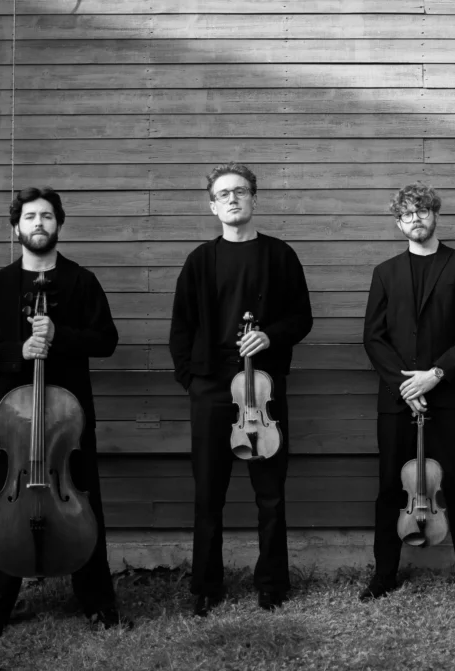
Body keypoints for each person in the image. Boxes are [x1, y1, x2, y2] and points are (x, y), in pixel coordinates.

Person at [0, 187, 123, 643]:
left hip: (66, 425)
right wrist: (19, 351)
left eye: (47, 216)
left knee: (84, 505)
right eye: (30, 216)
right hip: (13, 425)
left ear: (59, 225)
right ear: (16, 227)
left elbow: (106, 340)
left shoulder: (81, 281)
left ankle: (98, 603)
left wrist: (60, 335)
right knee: (4, 510)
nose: (39, 223)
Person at [168, 163, 313, 616]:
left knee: (270, 492)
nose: (233, 199)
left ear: (255, 199)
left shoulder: (280, 256)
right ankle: (206, 586)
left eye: (241, 191)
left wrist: (269, 336)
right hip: (212, 390)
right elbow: (180, 330)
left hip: (263, 391)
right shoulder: (200, 261)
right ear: (212, 205)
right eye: (223, 194)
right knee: (209, 493)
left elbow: (301, 318)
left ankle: (271, 583)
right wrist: (193, 383)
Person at [360, 183, 455, 600]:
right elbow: (373, 338)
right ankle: (384, 574)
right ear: (398, 223)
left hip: (449, 396)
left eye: (421, 212)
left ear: (435, 214)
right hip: (397, 400)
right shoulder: (385, 272)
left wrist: (435, 374)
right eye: (406, 215)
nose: (414, 220)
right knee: (387, 488)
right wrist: (404, 385)